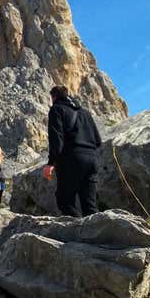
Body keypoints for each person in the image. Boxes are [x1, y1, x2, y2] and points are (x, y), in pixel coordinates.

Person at [43, 85, 102, 217]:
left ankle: (77, 231)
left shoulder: (56, 109)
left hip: (72, 159)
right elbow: (98, 140)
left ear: (54, 97)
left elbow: (56, 139)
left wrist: (51, 163)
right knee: (90, 204)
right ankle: (95, 234)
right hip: (92, 159)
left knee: (64, 200)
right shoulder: (85, 113)